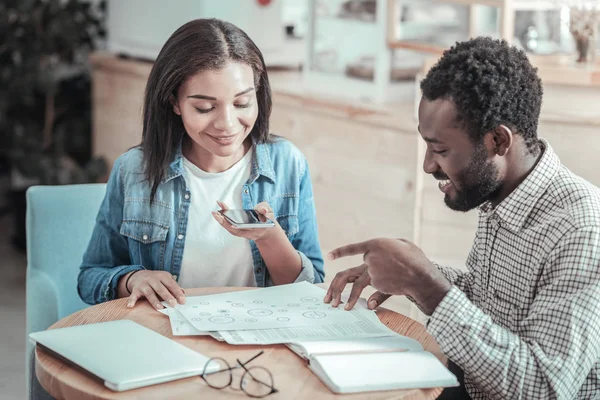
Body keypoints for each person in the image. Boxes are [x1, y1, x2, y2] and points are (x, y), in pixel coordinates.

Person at [324, 37, 600, 399]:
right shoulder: (502, 192)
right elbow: (496, 303)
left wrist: (427, 285)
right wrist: (413, 274)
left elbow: (544, 388)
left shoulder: (582, 231)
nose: (427, 165)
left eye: (440, 150)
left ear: (499, 142)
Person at [78, 18, 324, 311]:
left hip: (259, 340)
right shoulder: (134, 170)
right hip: (164, 338)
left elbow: (312, 290)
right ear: (174, 102)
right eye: (204, 108)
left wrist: (270, 239)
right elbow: (90, 278)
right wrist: (134, 279)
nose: (227, 124)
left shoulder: (288, 164)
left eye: (242, 103)